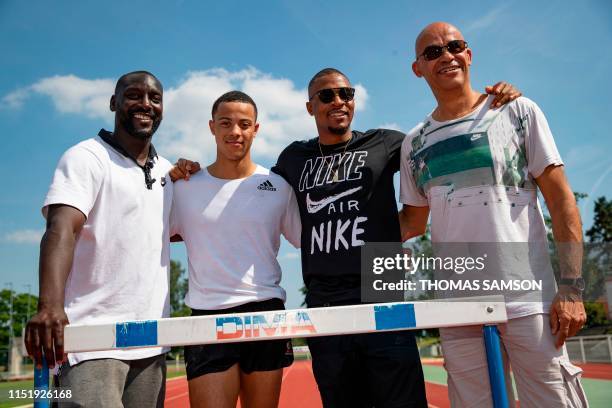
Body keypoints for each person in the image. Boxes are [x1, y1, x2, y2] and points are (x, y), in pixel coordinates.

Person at [271, 67, 520, 407]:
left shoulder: (385, 142)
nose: (338, 102)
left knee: (403, 400)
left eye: (346, 94)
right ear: (310, 106)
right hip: (324, 296)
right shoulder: (293, 157)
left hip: (381, 284)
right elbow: (254, 193)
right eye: (326, 96)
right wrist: (193, 176)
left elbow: (438, 140)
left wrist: (486, 106)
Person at [400, 22, 588, 407]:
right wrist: (348, 241)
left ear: (469, 54)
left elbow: (562, 201)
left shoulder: (517, 110)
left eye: (455, 46)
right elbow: (412, 223)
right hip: (459, 308)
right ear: (417, 68)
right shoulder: (413, 143)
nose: (447, 56)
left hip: (529, 301)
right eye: (433, 52)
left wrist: (571, 287)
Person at [24, 71, 185, 407]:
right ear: (114, 102)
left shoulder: (166, 172)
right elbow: (60, 229)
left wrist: (201, 180)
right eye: (134, 95)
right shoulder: (86, 157)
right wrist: (49, 306)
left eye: (154, 98)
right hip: (91, 341)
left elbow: (189, 231)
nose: (145, 104)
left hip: (152, 342)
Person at [169, 91, 301, 408]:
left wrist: (384, 251)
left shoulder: (278, 186)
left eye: (244, 124)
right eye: (226, 123)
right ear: (212, 127)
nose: (235, 132)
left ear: (256, 129)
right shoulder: (183, 186)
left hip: (265, 314)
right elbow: (154, 234)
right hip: (207, 316)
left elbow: (309, 241)